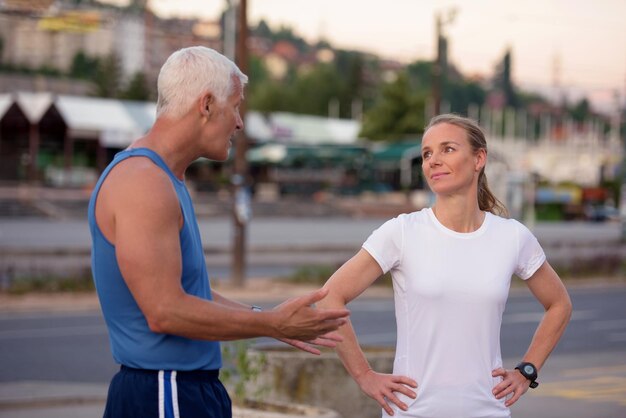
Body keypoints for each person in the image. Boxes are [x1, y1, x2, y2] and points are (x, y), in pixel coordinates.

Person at [87, 46, 350, 418]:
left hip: (183, 387)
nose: (240, 122)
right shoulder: (142, 181)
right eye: (236, 106)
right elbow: (165, 311)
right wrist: (270, 323)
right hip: (166, 390)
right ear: (206, 105)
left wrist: (271, 320)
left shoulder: (163, 177)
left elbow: (190, 293)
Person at [318, 113, 572, 417]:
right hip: (413, 411)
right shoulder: (402, 232)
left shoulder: (512, 237)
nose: (433, 161)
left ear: (479, 159)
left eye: (447, 149)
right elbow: (329, 297)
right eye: (427, 153)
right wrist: (364, 376)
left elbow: (559, 304)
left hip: (487, 411)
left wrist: (527, 370)